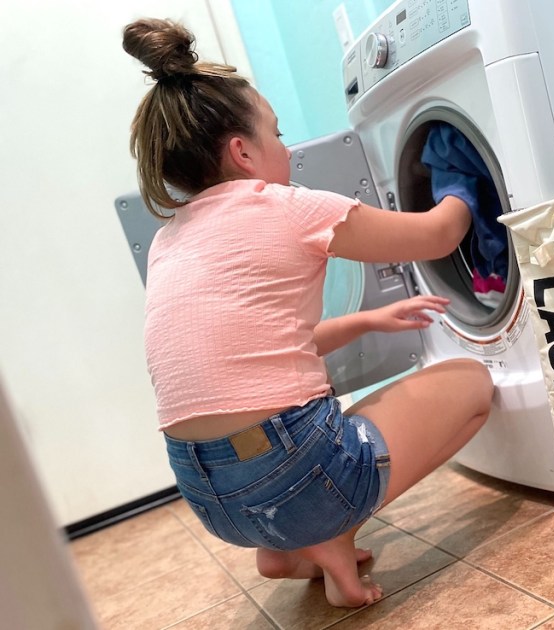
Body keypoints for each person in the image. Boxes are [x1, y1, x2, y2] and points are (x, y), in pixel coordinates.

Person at [122, 18, 494, 608]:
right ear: (242, 152)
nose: (287, 148)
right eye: (277, 132)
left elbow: (258, 355)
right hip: (295, 478)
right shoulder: (287, 208)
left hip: (210, 497)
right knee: (473, 383)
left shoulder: (172, 238)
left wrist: (370, 320)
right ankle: (329, 531)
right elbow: (438, 235)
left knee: (313, 427)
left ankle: (295, 546)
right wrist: (459, 173)